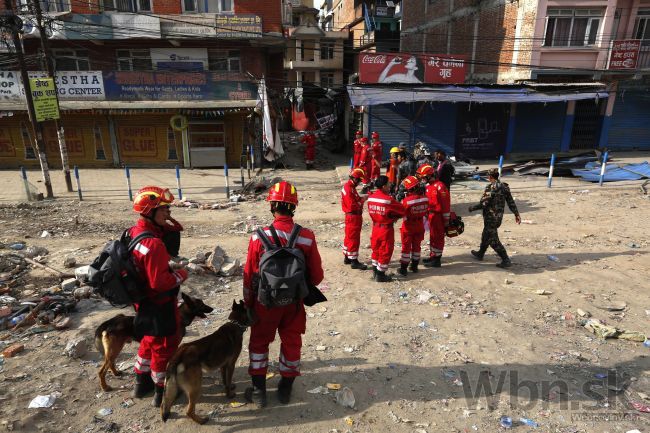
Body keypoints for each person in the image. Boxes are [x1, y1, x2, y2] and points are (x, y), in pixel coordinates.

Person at [243, 181, 324, 407]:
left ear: (272, 206)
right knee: (291, 343)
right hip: (294, 303)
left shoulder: (257, 238)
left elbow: (249, 276)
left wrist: (249, 303)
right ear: (293, 207)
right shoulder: (306, 236)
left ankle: (259, 392)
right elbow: (317, 277)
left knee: (259, 343)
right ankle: (285, 389)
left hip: (264, 303)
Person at [129, 186, 189, 407]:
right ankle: (161, 391)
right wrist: (181, 275)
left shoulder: (133, 233)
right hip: (159, 302)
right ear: (149, 211)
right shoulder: (153, 245)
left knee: (148, 339)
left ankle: (140, 383)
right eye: (163, 210)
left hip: (142, 301)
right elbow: (160, 282)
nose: (168, 214)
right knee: (164, 345)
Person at [468, 168, 521, 268]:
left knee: (493, 240)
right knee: (485, 234)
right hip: (498, 218)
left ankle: (505, 259)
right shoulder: (504, 187)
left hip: (490, 218)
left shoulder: (490, 187)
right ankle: (480, 253)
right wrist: (516, 214)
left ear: (490, 177)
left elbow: (484, 203)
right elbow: (510, 202)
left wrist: (472, 208)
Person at [367, 175, 405, 282]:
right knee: (385, 250)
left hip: (375, 228)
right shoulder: (388, 200)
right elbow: (402, 210)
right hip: (385, 229)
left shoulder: (371, 197)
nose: (390, 186)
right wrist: (394, 217)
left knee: (376, 249)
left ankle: (375, 271)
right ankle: (380, 274)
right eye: (388, 184)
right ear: (384, 186)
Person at [418, 165, 450, 268]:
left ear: (429, 176)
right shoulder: (428, 186)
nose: (422, 179)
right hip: (431, 216)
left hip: (439, 217)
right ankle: (433, 256)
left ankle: (437, 260)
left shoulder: (440, 186)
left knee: (438, 237)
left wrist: (446, 220)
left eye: (424, 177)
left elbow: (445, 205)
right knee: (432, 236)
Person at [398, 176, 428, 276]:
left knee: (406, 248)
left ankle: (403, 268)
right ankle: (414, 266)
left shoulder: (407, 201)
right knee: (417, 246)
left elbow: (401, 211)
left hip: (408, 226)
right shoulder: (425, 198)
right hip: (419, 224)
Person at [341, 168, 368, 271]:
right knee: (354, 238)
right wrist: (363, 200)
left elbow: (353, 200)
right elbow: (353, 205)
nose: (360, 182)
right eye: (359, 180)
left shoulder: (349, 187)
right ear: (355, 179)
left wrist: (361, 198)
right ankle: (354, 261)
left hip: (351, 216)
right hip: (353, 216)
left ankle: (347, 257)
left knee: (349, 237)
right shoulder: (349, 188)